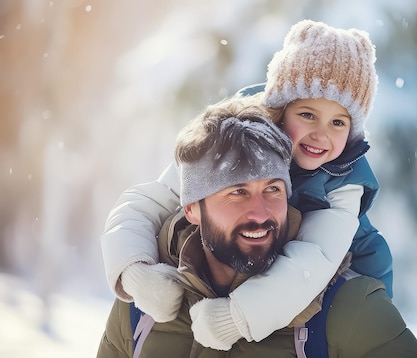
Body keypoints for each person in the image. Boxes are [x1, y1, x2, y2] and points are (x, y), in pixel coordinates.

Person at [100, 19, 394, 349]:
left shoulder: (343, 185)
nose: (321, 134)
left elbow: (313, 261)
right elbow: (149, 201)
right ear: (280, 111)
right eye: (308, 115)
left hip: (348, 275)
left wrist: (239, 316)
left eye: (338, 122)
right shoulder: (231, 140)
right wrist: (135, 271)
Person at [96, 95, 417, 357]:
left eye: (273, 190)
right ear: (193, 209)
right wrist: (134, 272)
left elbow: (319, 255)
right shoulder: (140, 312)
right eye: (238, 192)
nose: (260, 212)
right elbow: (141, 205)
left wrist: (240, 316)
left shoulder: (350, 309)